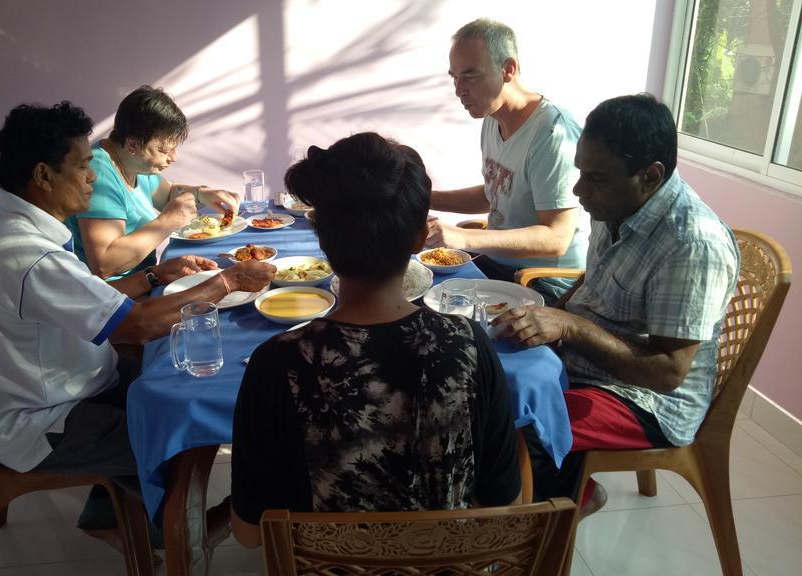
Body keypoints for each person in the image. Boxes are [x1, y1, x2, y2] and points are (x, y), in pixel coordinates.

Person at [0, 101, 274, 541]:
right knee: (172, 434)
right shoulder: (30, 256)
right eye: (82, 166)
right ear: (42, 176)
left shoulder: (14, 226)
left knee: (183, 384)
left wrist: (155, 273)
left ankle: (115, 514)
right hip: (42, 420)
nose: (93, 175)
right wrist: (227, 281)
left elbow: (93, 300)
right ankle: (182, 535)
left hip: (80, 380)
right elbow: (137, 326)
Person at [230, 132, 522, 548]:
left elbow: (249, 534)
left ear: (321, 237)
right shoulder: (469, 346)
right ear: (421, 237)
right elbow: (505, 504)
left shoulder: (276, 363)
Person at [492, 94, 740, 513]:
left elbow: (667, 373)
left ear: (650, 176)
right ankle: (573, 491)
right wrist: (556, 316)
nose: (578, 190)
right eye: (581, 173)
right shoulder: (615, 203)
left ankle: (536, 534)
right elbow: (596, 279)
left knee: (517, 428)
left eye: (596, 178)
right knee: (484, 377)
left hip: (646, 401)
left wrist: (568, 327)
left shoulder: (692, 244)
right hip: (589, 362)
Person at [427, 18, 588, 303]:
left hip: (542, 282)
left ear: (508, 69)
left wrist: (463, 239)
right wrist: (424, 198)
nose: (459, 90)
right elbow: (497, 193)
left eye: (470, 76)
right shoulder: (492, 119)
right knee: (421, 286)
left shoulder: (552, 132)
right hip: (500, 266)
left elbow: (557, 238)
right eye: (454, 77)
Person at [65, 85, 239, 281]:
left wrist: (202, 194)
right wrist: (167, 222)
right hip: (116, 295)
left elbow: (167, 194)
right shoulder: (100, 176)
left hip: (147, 277)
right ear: (132, 145)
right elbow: (104, 264)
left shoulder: (134, 163)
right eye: (164, 151)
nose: (173, 158)